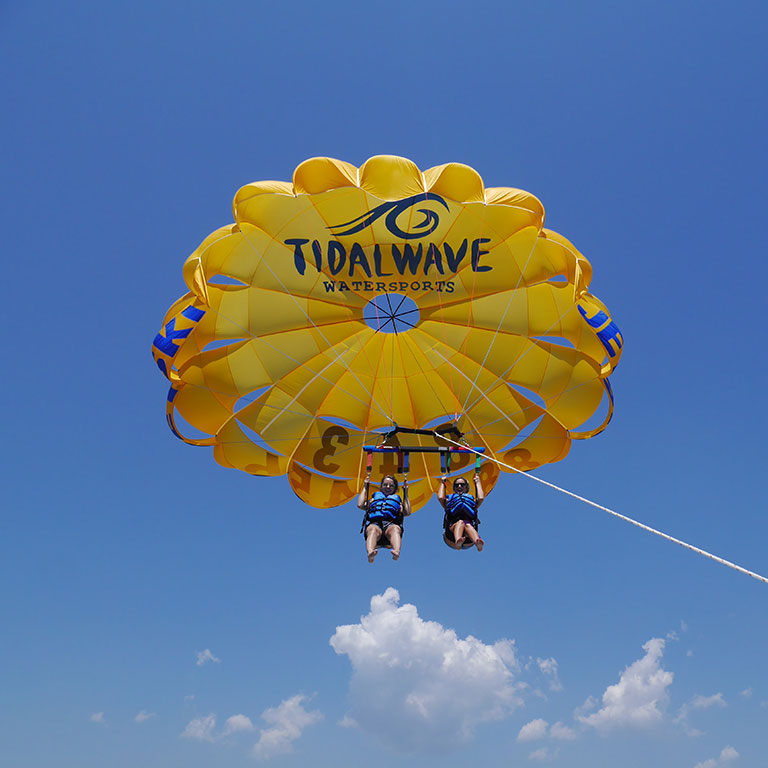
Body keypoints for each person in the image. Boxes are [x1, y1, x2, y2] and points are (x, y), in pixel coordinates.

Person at [358, 474, 411, 563]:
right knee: (372, 529)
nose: (388, 487)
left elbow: (407, 512)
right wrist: (365, 487)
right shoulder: (373, 499)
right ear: (381, 486)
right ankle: (371, 553)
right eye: (385, 484)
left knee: (395, 529)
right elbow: (360, 505)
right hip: (375, 523)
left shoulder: (398, 501)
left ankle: (396, 552)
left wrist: (406, 493)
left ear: (395, 488)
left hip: (390, 524)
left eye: (391, 485)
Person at [438, 473, 485, 551]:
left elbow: (481, 498)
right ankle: (458, 541)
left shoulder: (472, 501)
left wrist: (478, 482)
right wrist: (442, 483)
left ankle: (477, 543)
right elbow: (440, 497)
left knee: (468, 525)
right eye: (457, 485)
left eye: (462, 484)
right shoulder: (449, 501)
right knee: (461, 522)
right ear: (454, 488)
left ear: (466, 487)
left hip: (468, 537)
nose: (459, 486)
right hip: (451, 535)